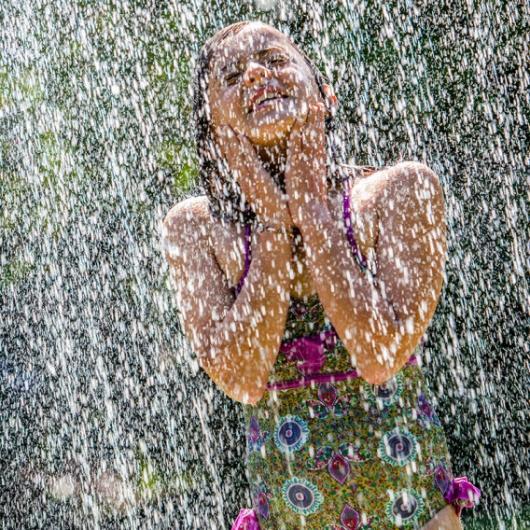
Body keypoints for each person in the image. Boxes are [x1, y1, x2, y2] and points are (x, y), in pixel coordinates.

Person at [162, 21, 480, 530]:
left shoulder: (398, 192)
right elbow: (243, 378)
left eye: (274, 58)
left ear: (324, 94)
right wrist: (272, 218)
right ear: (212, 126)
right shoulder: (196, 229)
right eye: (232, 75)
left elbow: (378, 355)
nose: (258, 75)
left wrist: (311, 210)